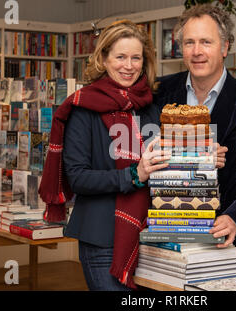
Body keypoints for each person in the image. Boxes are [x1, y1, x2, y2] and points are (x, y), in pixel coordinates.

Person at [39, 20, 170, 291]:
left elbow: (166, 163)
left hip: (150, 237)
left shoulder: (151, 109)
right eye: (120, 57)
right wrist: (136, 174)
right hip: (102, 241)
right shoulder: (83, 108)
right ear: (104, 59)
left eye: (136, 58)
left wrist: (199, 156)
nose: (129, 65)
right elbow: (78, 178)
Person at [153, 4, 236, 248]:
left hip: (218, 231)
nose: (197, 51)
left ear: (225, 47)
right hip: (163, 226)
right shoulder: (158, 91)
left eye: (206, 42)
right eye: (189, 43)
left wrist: (235, 218)